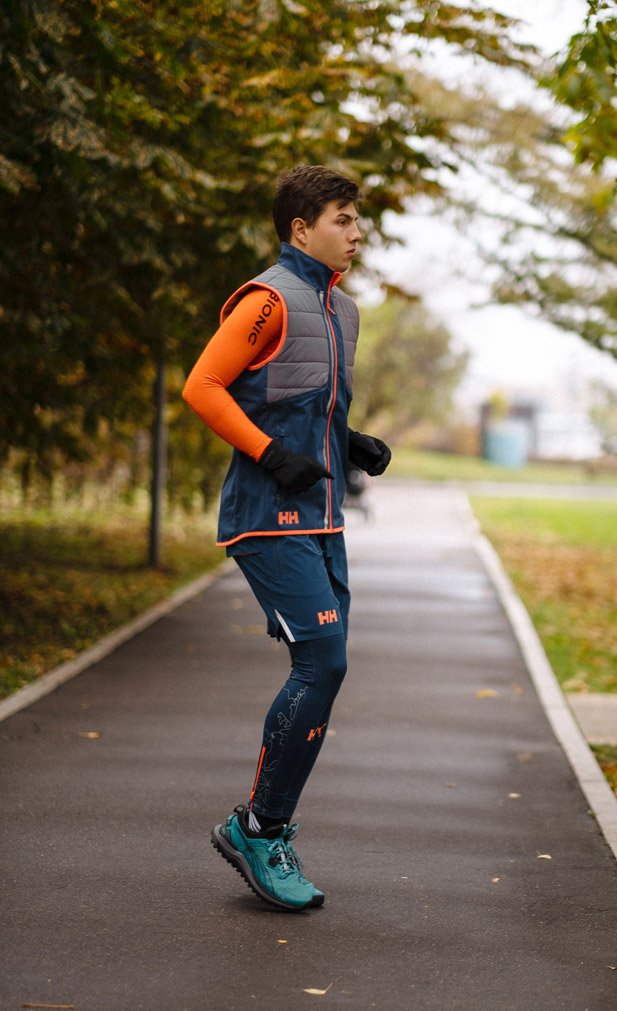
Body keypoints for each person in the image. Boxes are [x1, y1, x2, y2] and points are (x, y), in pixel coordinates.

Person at [182, 165, 391, 912]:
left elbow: (303, 402)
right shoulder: (266, 300)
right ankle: (260, 829)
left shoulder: (344, 311)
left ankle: (263, 825)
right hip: (268, 517)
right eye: (342, 219)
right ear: (301, 229)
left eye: (356, 219)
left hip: (324, 517)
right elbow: (203, 387)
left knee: (326, 669)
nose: (357, 232)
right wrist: (271, 455)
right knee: (323, 661)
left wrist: (350, 442)